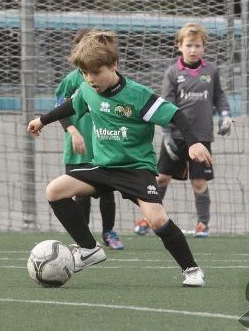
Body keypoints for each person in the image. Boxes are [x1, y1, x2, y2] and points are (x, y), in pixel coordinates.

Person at [28, 30, 210, 287]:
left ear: (113, 65)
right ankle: (89, 249)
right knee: (55, 190)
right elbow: (71, 105)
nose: (90, 79)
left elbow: (175, 115)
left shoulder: (137, 95)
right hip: (102, 166)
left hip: (136, 169)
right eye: (85, 73)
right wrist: (43, 120)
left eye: (95, 72)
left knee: (157, 219)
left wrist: (194, 143)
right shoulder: (87, 88)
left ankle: (191, 269)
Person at [134, 23, 232, 238]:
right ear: (179, 46)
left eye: (198, 45)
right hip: (176, 136)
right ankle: (150, 217)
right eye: (189, 45)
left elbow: (220, 97)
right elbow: (165, 104)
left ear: (204, 47)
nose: (193, 50)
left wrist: (225, 116)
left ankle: (203, 224)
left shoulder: (211, 71)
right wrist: (166, 133)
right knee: (160, 178)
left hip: (201, 137)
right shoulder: (172, 73)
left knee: (199, 182)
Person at [55, 29, 123, 250]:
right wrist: (73, 132)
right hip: (78, 149)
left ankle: (109, 232)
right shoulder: (72, 80)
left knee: (108, 193)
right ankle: (83, 239)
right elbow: (60, 108)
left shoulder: (107, 78)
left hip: (103, 146)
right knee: (79, 195)